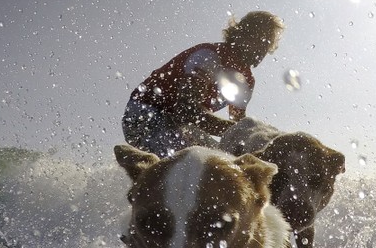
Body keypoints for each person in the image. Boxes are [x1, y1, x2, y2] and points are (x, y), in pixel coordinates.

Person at [122, 11, 284, 157]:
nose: (263, 48)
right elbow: (187, 111)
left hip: (179, 125)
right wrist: (247, 132)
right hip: (144, 115)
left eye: (268, 43)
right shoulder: (209, 56)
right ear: (241, 34)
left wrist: (257, 141)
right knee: (212, 165)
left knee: (232, 163)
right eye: (259, 39)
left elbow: (237, 124)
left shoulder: (247, 81)